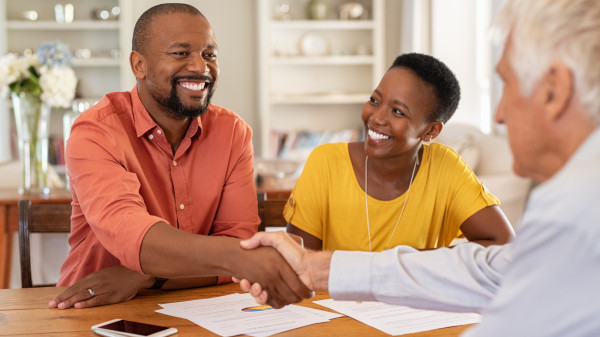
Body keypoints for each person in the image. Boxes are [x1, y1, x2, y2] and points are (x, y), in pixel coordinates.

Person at [239, 0, 600, 335]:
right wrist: (314, 267)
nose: (498, 114)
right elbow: (491, 268)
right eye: (376, 101)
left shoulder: (574, 214)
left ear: (554, 90)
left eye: (507, 84)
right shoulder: (573, 199)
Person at [48, 3, 311, 310]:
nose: (200, 67)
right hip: (94, 307)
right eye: (180, 53)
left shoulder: (233, 133)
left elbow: (237, 242)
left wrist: (146, 278)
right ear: (139, 65)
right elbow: (136, 239)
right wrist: (243, 259)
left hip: (197, 306)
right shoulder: (96, 132)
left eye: (209, 54)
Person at [286, 53, 514, 252]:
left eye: (397, 111)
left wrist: (402, 264)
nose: (376, 118)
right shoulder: (326, 162)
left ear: (430, 131)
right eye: (374, 100)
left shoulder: (446, 168)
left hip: (410, 303)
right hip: (330, 302)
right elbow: (298, 265)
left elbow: (504, 244)